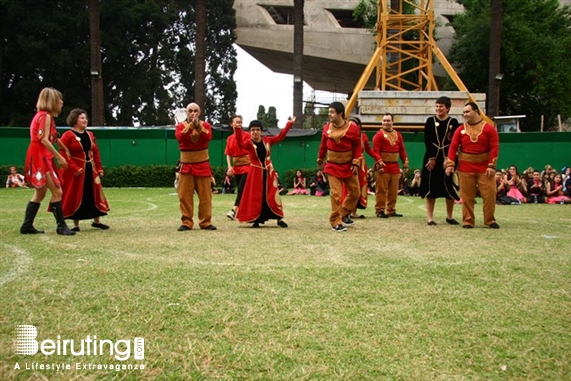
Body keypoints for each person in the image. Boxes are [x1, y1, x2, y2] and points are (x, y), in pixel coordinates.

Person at [20, 87, 75, 235]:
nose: (62, 102)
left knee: (40, 192)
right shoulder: (46, 117)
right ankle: (61, 226)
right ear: (52, 101)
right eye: (59, 100)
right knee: (57, 190)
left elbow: (54, 137)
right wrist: (59, 156)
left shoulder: (40, 116)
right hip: (42, 157)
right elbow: (44, 140)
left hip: (37, 155)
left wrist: (65, 149)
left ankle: (27, 225)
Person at [445, 102, 500, 229]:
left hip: (485, 167)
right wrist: (450, 164)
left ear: (476, 111)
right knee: (467, 196)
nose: (465, 114)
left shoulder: (489, 128)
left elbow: (494, 147)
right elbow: (453, 147)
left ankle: (489, 220)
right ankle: (468, 220)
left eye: (467, 112)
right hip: (465, 167)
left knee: (490, 194)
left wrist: (491, 165)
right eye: (463, 112)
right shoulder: (460, 130)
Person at [235, 117, 296, 228]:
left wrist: (289, 124)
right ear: (250, 132)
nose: (255, 132)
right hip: (255, 173)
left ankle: (279, 219)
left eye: (258, 129)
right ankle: (257, 220)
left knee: (273, 195)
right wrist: (237, 130)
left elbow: (280, 137)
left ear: (261, 131)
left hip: (269, 173)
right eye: (253, 130)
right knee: (257, 196)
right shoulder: (248, 143)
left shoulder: (267, 140)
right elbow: (239, 145)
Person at [58, 109, 110, 232]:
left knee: (94, 193)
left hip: (90, 170)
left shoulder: (90, 135)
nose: (85, 120)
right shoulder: (68, 135)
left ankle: (97, 221)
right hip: (75, 172)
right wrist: (74, 168)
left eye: (85, 118)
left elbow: (95, 152)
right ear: (75, 119)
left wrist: (99, 168)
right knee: (76, 194)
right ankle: (76, 225)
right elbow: (63, 154)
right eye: (82, 118)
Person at [317, 102, 364, 232]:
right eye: (329, 112)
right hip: (332, 165)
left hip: (349, 165)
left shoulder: (353, 128)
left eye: (332, 112)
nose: (329, 114)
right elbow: (323, 145)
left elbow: (357, 146)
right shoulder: (327, 127)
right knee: (336, 195)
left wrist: (355, 162)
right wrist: (320, 160)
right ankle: (335, 222)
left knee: (355, 192)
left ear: (340, 113)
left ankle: (343, 214)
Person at [175, 102, 216, 231]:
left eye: (196, 111)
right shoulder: (180, 126)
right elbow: (181, 137)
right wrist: (191, 126)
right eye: (190, 111)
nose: (193, 113)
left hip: (202, 164)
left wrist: (197, 127)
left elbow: (207, 137)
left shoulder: (206, 125)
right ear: (186, 112)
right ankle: (186, 222)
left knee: (205, 196)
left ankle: (205, 222)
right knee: (184, 195)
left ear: (200, 112)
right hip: (186, 165)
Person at [419, 96, 460, 226]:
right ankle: (430, 218)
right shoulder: (430, 121)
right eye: (437, 106)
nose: (438, 109)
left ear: (447, 108)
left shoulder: (453, 122)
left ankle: (449, 216)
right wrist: (432, 158)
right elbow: (428, 139)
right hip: (432, 156)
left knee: (448, 185)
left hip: (448, 157)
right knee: (431, 187)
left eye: (441, 106)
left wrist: (449, 159)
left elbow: (454, 142)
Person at [372, 113, 409, 218]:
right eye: (384, 120)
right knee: (381, 190)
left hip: (395, 166)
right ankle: (380, 210)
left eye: (388, 120)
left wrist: (405, 162)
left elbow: (402, 149)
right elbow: (376, 151)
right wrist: (379, 163)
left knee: (394, 190)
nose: (386, 123)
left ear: (393, 122)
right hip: (383, 167)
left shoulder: (398, 135)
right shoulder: (378, 135)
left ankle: (391, 210)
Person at [343, 116, 377, 219]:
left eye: (355, 125)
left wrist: (378, 159)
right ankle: (345, 212)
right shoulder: (344, 135)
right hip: (349, 163)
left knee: (359, 187)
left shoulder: (363, 136)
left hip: (361, 165)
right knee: (349, 188)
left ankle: (353, 212)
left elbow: (369, 150)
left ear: (359, 126)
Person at [224, 114, 250, 220]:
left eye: (240, 122)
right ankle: (244, 212)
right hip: (237, 167)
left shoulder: (247, 135)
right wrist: (230, 167)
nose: (239, 124)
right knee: (242, 190)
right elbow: (228, 153)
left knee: (241, 188)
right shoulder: (229, 139)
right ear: (231, 124)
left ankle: (234, 210)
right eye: (237, 122)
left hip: (248, 165)